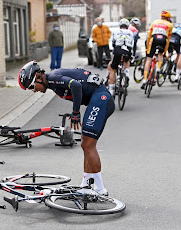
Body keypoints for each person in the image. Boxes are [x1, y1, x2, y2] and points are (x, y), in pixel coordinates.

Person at [18, 61, 115, 195]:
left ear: (39, 77)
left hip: (101, 99)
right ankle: (86, 184)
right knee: (85, 144)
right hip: (97, 99)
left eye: (32, 86)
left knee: (89, 146)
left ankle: (100, 189)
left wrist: (76, 112)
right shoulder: (52, 81)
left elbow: (76, 85)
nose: (34, 90)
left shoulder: (53, 78)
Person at [141, 11, 173, 89]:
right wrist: (165, 51)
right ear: (168, 18)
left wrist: (147, 48)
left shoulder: (155, 22)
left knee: (149, 59)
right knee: (160, 54)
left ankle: (145, 79)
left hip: (154, 39)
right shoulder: (170, 25)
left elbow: (149, 36)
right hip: (163, 39)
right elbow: (168, 39)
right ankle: (158, 68)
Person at [107, 18, 133, 96]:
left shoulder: (116, 31)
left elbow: (113, 43)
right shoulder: (130, 32)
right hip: (128, 50)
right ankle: (127, 74)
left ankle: (111, 89)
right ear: (128, 26)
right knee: (126, 61)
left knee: (112, 69)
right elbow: (132, 43)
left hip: (118, 49)